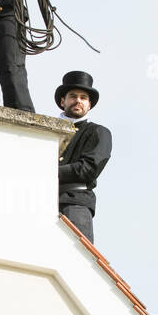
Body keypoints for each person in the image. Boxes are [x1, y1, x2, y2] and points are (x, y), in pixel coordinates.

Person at [56, 71, 111, 244]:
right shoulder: (45, 131)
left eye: (83, 97)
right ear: (63, 101)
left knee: (75, 256)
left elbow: (89, 169)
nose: (78, 100)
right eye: (73, 96)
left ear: (89, 105)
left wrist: (49, 172)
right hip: (40, 200)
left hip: (75, 204)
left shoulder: (98, 132)